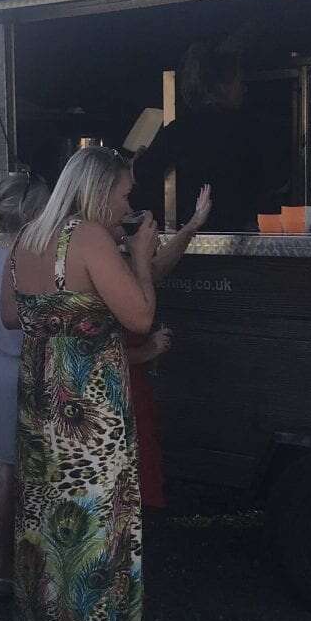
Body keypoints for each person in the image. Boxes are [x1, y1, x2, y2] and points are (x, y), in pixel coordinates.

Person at [4, 147, 157, 621]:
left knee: (44, 535)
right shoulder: (89, 239)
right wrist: (141, 258)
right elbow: (140, 317)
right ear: (98, 191)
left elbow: (12, 316)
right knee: (93, 534)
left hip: (40, 410)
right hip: (89, 418)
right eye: (124, 193)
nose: (128, 203)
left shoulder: (27, 237)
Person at [0, 170, 50, 600]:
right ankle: (32, 568)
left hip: (1, 367)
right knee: (35, 473)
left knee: (4, 471)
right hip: (28, 364)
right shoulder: (30, 254)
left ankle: (3, 572)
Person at [126, 184, 214, 512]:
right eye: (153, 230)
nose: (158, 237)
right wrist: (145, 352)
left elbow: (158, 267)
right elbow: (91, 345)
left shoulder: (131, 264)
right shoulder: (111, 264)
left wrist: (192, 225)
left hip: (137, 387)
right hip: (119, 390)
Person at [134, 40, 279, 231]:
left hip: (197, 232)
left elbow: (144, 171)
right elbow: (273, 179)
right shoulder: (250, 127)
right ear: (222, 86)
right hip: (243, 228)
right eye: (239, 82)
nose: (244, 89)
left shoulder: (183, 128)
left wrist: (138, 157)